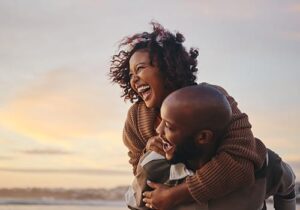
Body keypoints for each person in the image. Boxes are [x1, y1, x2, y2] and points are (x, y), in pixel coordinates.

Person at [109, 22, 267, 209]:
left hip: (230, 195)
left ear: (168, 67)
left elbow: (240, 160)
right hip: (174, 198)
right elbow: (139, 171)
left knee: (270, 162)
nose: (133, 79)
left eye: (141, 68)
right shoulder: (136, 117)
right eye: (130, 74)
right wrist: (148, 152)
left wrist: (176, 195)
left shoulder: (212, 98)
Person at [126, 85, 296, 210]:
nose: (158, 130)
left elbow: (288, 186)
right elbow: (134, 205)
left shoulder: (262, 163)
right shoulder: (152, 166)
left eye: (169, 126)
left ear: (203, 137)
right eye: (160, 121)